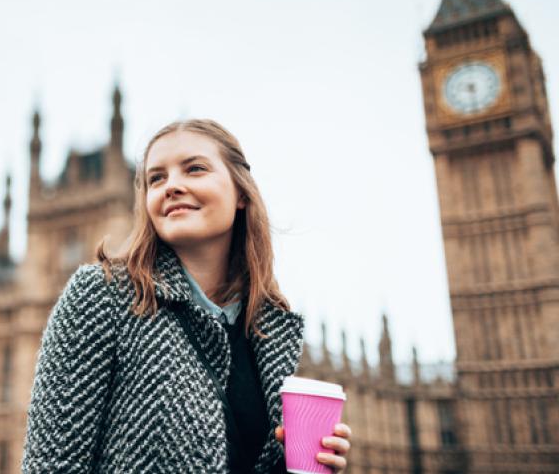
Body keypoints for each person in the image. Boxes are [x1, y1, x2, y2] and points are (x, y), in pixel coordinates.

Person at [22, 119, 352, 473]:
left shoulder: (269, 329)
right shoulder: (103, 295)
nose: (172, 186)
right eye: (156, 178)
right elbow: (52, 464)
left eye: (194, 169)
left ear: (241, 192)